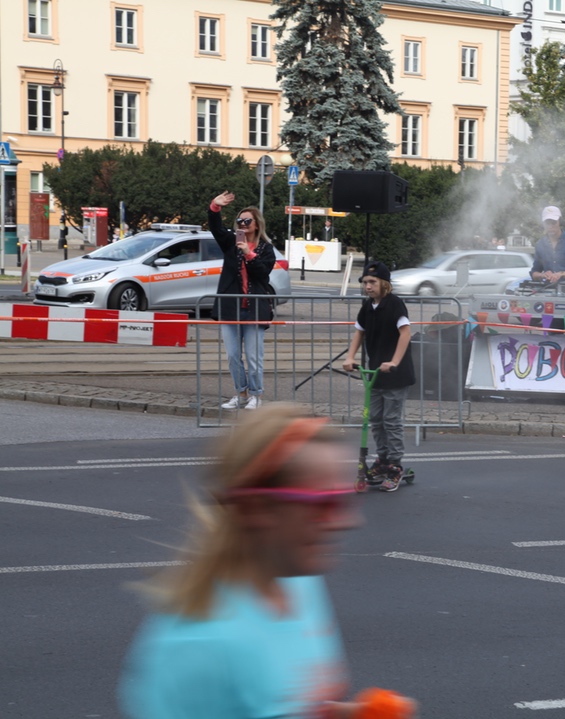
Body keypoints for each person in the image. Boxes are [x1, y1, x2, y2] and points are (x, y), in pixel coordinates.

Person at [118, 403, 415, 718]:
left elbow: (289, 704)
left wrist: (356, 713)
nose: (348, 521)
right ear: (256, 508)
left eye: (342, 500)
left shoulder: (298, 581)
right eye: (322, 504)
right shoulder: (198, 647)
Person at [343, 261, 415, 492]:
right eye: (365, 282)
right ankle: (382, 459)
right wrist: (350, 357)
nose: (368, 286)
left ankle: (395, 464)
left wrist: (394, 361)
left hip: (395, 374)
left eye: (372, 282)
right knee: (375, 419)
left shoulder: (395, 304)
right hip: (374, 373)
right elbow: (359, 333)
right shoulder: (367, 307)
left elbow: (405, 334)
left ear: (384, 283)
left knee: (391, 420)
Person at [209, 191, 277, 411]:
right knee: (233, 356)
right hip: (231, 308)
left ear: (257, 225)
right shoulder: (231, 242)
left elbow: (262, 274)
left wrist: (249, 253)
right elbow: (216, 229)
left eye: (247, 221)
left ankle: (256, 395)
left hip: (254, 309)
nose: (243, 224)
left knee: (254, 357)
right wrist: (215, 207)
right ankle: (241, 394)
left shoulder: (266, 248)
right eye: (240, 220)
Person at [530, 206, 565, 284]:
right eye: (547, 223)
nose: (550, 226)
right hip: (548, 289)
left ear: (560, 222)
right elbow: (534, 272)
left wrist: (561, 274)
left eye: (553, 223)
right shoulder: (540, 244)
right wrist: (542, 275)